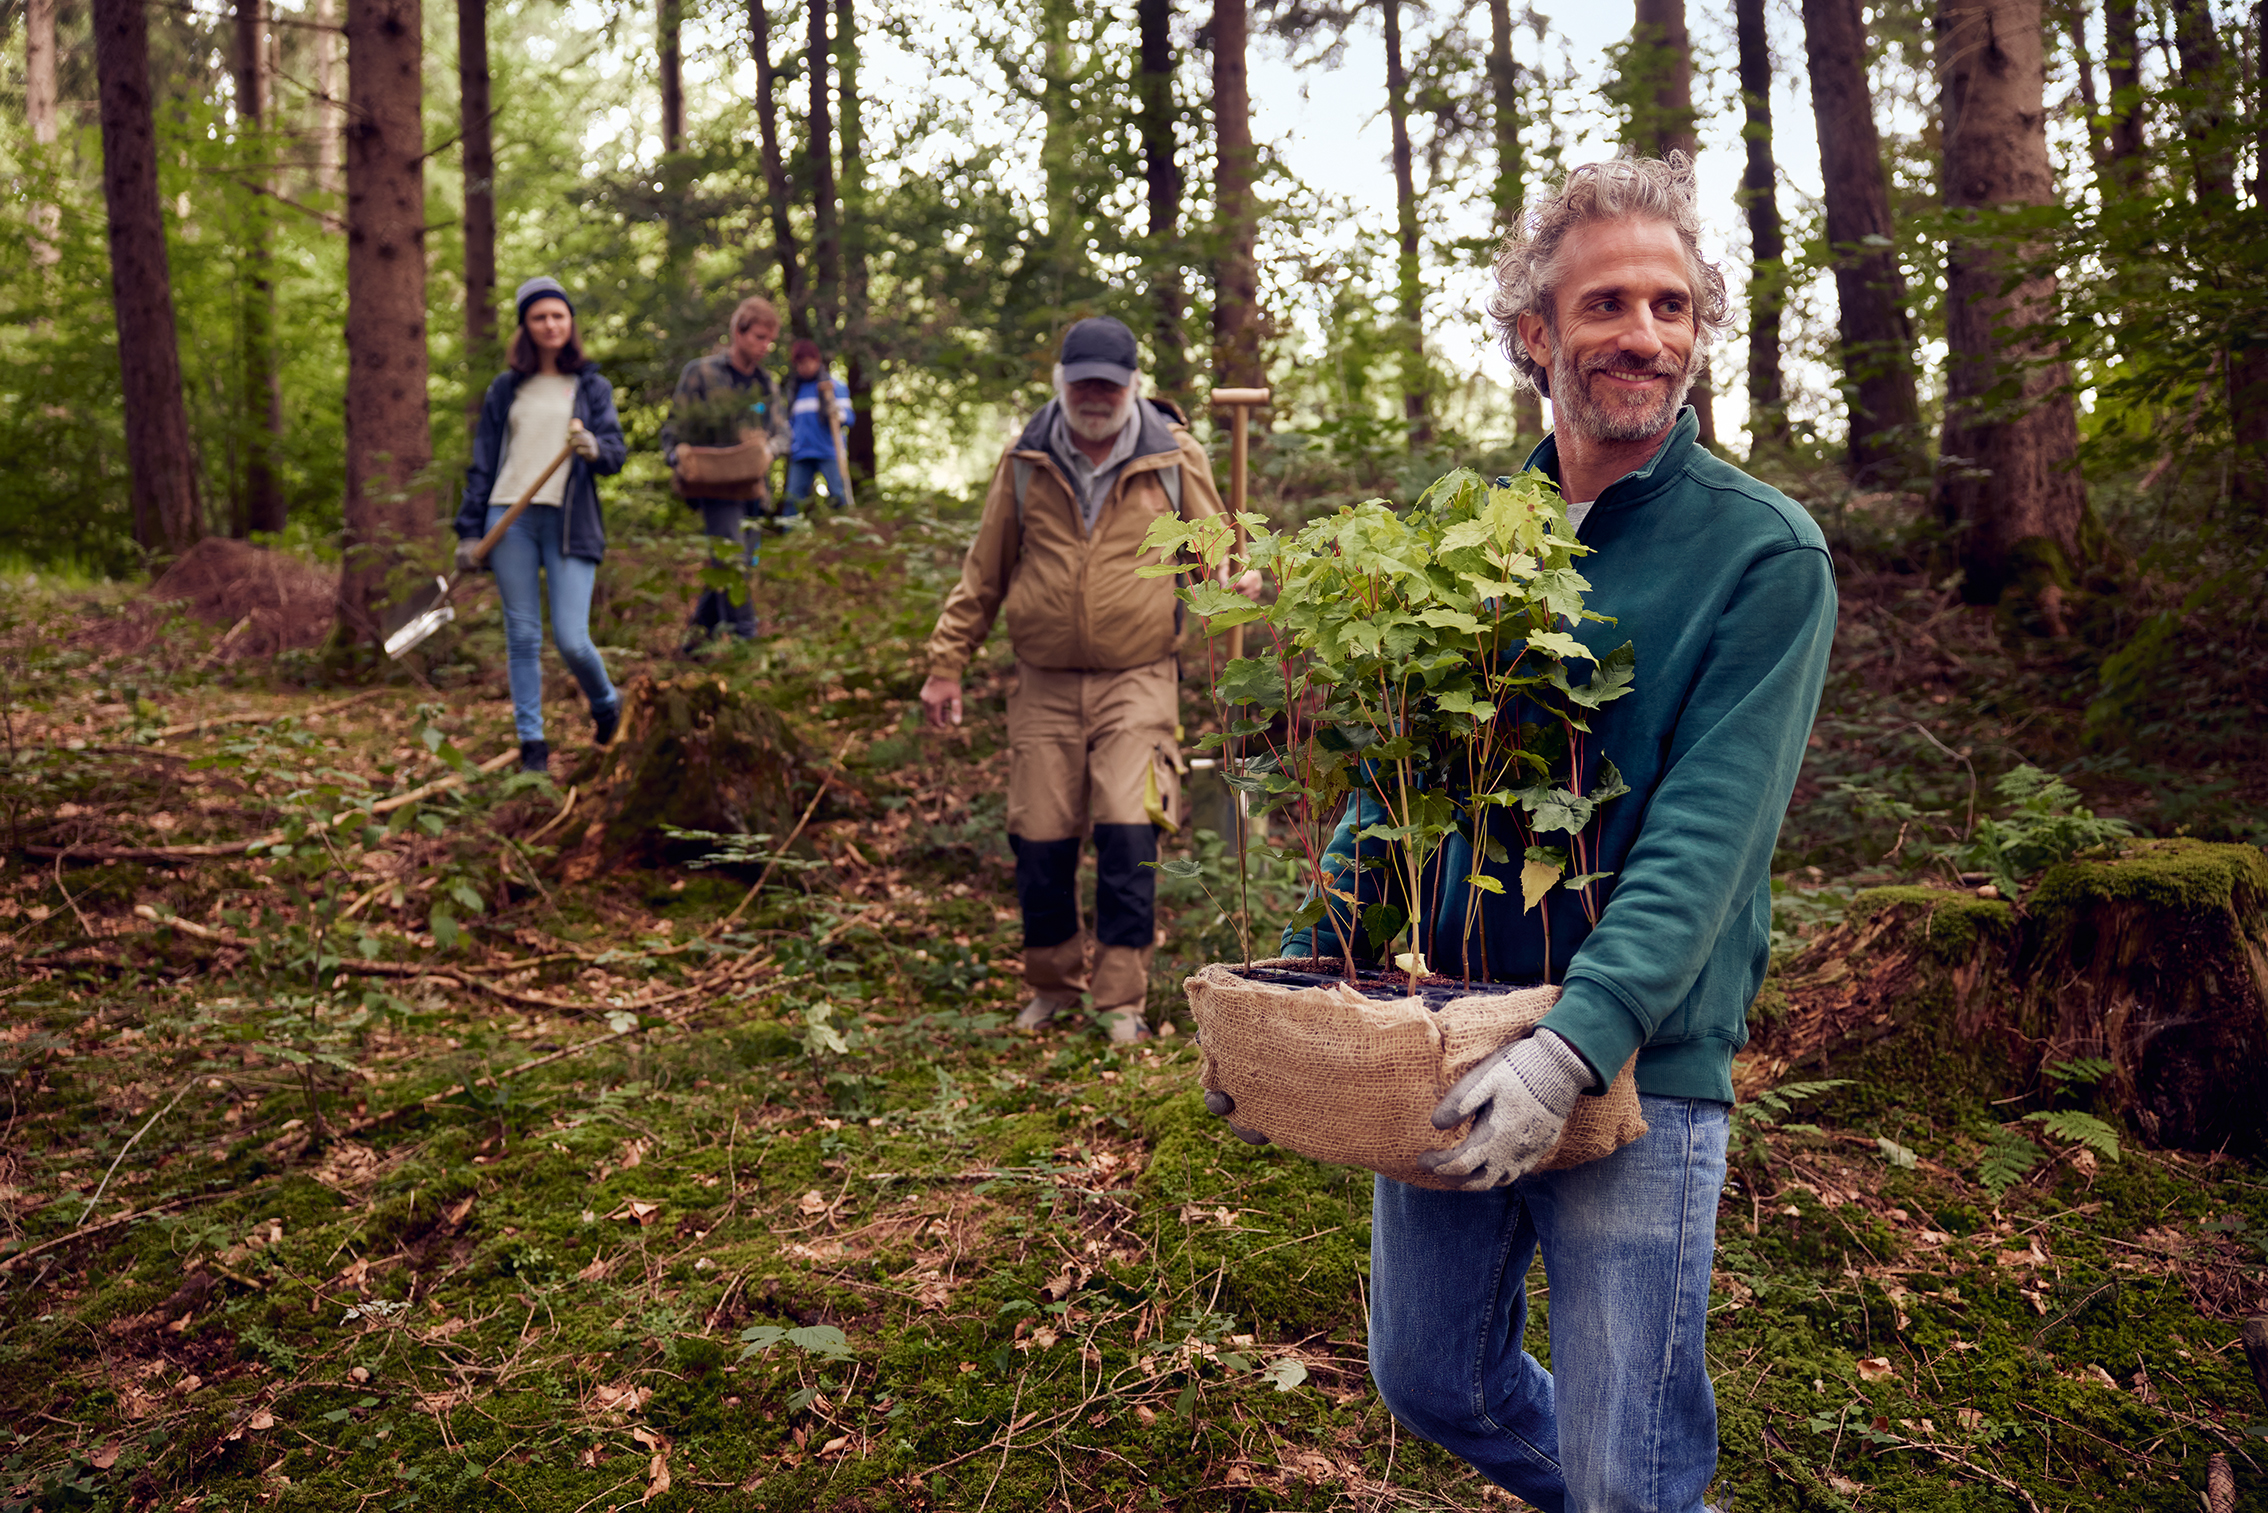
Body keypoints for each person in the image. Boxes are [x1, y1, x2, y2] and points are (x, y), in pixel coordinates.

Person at [1244, 156, 1838, 1510]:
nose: (1646, 335)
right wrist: (1292, 988)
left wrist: (1574, 1048)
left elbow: (1710, 837)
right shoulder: (1477, 549)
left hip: (1637, 1063)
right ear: (1534, 333)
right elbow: (1391, 794)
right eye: (1608, 303)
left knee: (1634, 1465)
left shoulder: (1763, 555)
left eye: (1674, 307)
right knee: (1433, 1376)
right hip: (1444, 1029)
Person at [919, 316, 1255, 1043]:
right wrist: (947, 663)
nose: (1095, 397)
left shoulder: (1172, 457)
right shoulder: (1025, 458)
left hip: (1138, 677)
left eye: (1108, 383)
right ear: (1062, 384)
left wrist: (1237, 575)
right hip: (1042, 681)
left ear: (1134, 384)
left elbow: (1216, 555)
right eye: (1083, 384)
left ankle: (1120, 1000)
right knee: (1038, 837)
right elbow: (985, 571)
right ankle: (1052, 984)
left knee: (1128, 830)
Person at [456, 276, 629, 776]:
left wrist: (594, 447)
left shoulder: (591, 387)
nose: (550, 324)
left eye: (558, 315)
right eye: (539, 317)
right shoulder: (506, 388)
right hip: (508, 517)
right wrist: (469, 532)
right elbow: (483, 461)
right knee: (523, 636)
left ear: (570, 322)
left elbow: (615, 453)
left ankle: (605, 704)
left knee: (573, 638)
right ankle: (532, 745)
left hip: (571, 521)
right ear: (526, 327)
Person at [662, 296, 793, 646]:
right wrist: (678, 457)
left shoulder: (766, 384)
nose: (764, 346)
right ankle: (745, 643)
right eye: (758, 337)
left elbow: (783, 433)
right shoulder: (701, 373)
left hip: (754, 490)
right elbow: (674, 430)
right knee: (730, 561)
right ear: (738, 331)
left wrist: (769, 449)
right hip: (715, 487)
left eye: (769, 339)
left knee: (736, 567)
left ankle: (693, 644)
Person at [783, 339, 855, 511]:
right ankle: (791, 534)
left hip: (829, 451)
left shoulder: (835, 386)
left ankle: (846, 531)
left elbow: (849, 418)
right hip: (801, 452)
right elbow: (789, 422)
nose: (804, 367)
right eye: (800, 363)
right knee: (793, 498)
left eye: (807, 362)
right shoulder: (795, 390)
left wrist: (836, 413)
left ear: (817, 360)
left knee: (838, 494)